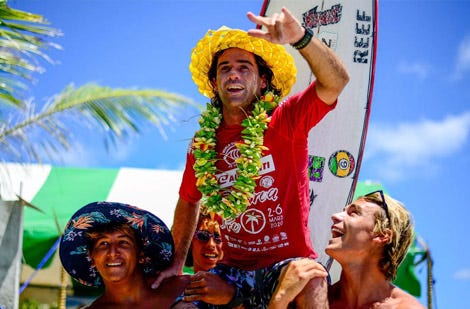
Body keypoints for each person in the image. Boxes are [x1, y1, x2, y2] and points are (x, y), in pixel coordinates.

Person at [153, 6, 349, 308]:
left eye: (244, 67)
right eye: (224, 68)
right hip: (232, 271)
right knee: (184, 306)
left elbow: (335, 82)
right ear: (215, 85)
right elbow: (189, 199)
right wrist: (176, 263)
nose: (233, 74)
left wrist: (300, 37)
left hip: (288, 264)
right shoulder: (203, 144)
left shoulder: (286, 120)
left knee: (313, 278)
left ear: (261, 82)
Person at [267, 191, 425, 309]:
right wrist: (279, 300)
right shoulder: (311, 292)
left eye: (353, 213)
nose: (335, 216)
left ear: (382, 235)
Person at [59, 201, 196, 309]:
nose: (113, 253)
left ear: (141, 253)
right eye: (103, 244)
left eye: (123, 242)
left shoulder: (189, 289)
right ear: (91, 257)